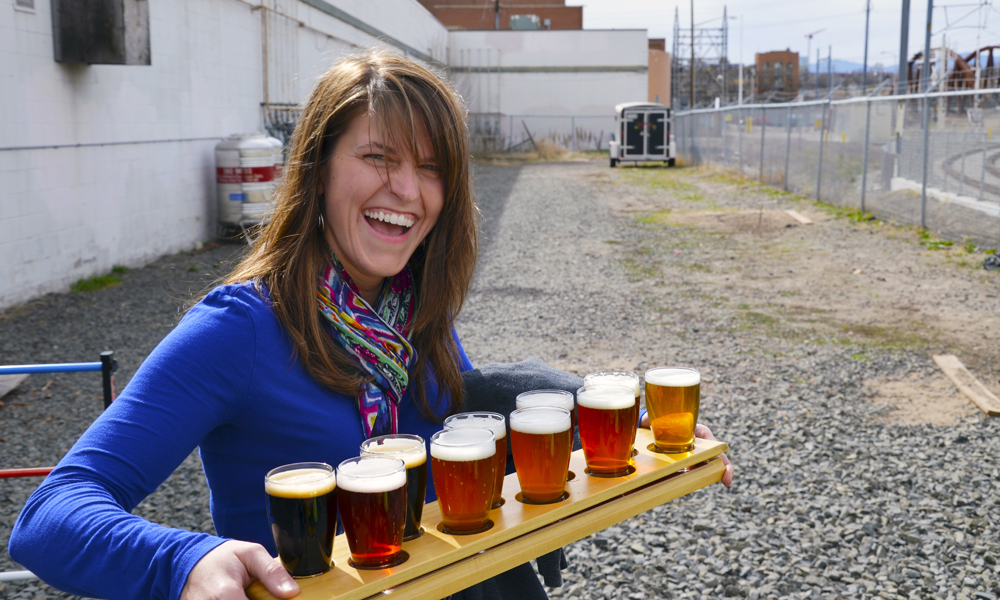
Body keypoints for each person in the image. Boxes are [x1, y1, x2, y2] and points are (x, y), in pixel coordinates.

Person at [9, 50, 732, 600]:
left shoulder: (412, 312)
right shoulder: (240, 329)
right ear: (318, 168)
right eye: (377, 157)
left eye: (430, 167)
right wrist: (184, 560)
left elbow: (466, 434)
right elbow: (50, 515)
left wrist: (645, 431)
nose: (406, 190)